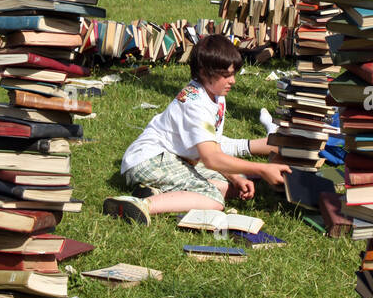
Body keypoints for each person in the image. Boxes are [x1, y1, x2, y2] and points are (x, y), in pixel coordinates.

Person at [103, 33, 290, 224]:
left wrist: (235, 178)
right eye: (226, 75)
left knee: (236, 186)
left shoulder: (216, 94)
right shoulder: (196, 104)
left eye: (233, 74)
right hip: (149, 159)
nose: (232, 81)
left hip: (174, 158)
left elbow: (214, 149)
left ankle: (157, 191)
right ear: (203, 72)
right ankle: (141, 204)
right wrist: (262, 169)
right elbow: (211, 158)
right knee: (214, 200)